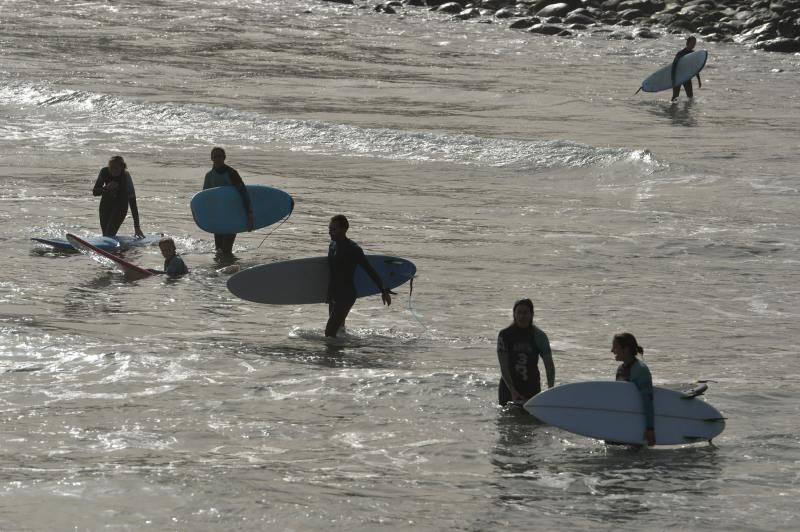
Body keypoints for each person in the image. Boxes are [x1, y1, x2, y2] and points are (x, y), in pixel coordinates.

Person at [325, 214, 392, 337]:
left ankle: (333, 354)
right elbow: (332, 273)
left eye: (333, 229)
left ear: (344, 229)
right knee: (339, 331)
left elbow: (369, 269)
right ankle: (340, 354)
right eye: (329, 229)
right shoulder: (332, 245)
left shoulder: (353, 249)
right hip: (334, 294)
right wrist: (329, 294)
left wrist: (383, 290)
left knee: (329, 332)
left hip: (346, 295)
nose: (330, 232)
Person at [496, 298, 555, 406]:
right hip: (508, 389)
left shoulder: (539, 336)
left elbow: (549, 366)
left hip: (531, 387)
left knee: (531, 422)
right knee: (507, 421)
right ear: (514, 314)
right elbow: (503, 367)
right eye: (519, 312)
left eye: (525, 313)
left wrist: (551, 391)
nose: (522, 316)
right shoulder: (504, 335)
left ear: (532, 314)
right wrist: (513, 391)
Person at [202, 147, 253, 256]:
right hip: (218, 217)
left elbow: (243, 193)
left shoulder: (232, 173)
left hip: (232, 216)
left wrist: (248, 215)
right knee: (219, 250)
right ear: (211, 158)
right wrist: (207, 218)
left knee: (226, 249)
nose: (217, 159)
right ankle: (223, 270)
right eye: (215, 157)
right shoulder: (209, 176)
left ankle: (229, 269)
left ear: (224, 157)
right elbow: (205, 199)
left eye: (220, 156)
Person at [612, 332, 656, 446]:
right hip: (622, 422)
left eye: (615, 347)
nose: (612, 350)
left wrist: (650, 429)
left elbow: (648, 401)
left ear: (626, 349)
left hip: (636, 425)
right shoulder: (621, 369)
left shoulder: (640, 370)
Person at [92, 155, 144, 238]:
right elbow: (95, 192)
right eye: (111, 167)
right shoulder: (104, 172)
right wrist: (106, 188)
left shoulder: (126, 177)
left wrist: (137, 227)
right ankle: (109, 248)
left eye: (116, 168)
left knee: (109, 234)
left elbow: (133, 202)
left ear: (122, 167)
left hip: (121, 206)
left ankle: (108, 249)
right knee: (105, 234)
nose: (113, 170)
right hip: (106, 204)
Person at [671, 36, 701, 102]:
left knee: (690, 96)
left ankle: (687, 111)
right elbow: (674, 66)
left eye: (695, 43)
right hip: (678, 77)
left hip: (687, 77)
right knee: (675, 96)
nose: (694, 44)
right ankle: (672, 111)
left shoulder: (693, 54)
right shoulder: (680, 53)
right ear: (688, 43)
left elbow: (695, 67)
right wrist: (673, 79)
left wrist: (699, 80)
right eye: (692, 42)